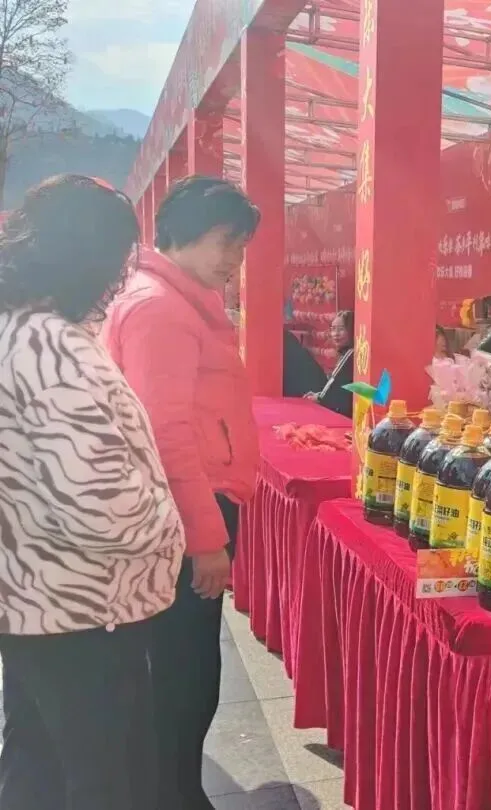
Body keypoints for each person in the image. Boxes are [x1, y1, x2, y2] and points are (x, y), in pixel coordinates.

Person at [0, 175, 185, 809]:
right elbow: (99, 501)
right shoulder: (50, 345)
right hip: (84, 607)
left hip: (35, 597)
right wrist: (165, 524)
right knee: (103, 777)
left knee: (37, 761)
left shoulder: (16, 328)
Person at [100, 175, 261, 810]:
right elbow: (164, 434)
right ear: (182, 234)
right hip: (187, 510)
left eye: (241, 246)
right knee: (184, 673)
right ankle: (172, 794)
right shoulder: (161, 309)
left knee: (182, 669)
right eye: (226, 241)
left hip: (189, 504)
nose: (235, 260)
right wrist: (206, 538)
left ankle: (173, 788)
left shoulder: (172, 299)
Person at [306, 309, 354, 416]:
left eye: (341, 329)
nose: (335, 334)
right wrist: (319, 394)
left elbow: (334, 381)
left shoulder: (350, 353)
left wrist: (319, 397)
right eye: (333, 329)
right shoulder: (345, 353)